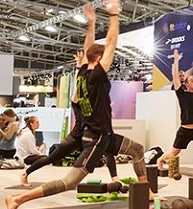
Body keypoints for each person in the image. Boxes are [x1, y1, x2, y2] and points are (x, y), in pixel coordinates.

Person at [5, 0, 152, 209]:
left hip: (103, 136)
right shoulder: (93, 76)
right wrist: (114, 14)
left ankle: (147, 192)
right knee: (69, 182)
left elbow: (87, 48)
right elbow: (111, 44)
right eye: (106, 58)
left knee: (137, 150)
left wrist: (91, 23)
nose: (110, 60)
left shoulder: (83, 72)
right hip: (95, 139)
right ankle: (17, 200)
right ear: (100, 59)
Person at [20, 50, 119, 187]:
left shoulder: (94, 103)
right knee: (52, 158)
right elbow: (79, 83)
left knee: (108, 150)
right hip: (77, 136)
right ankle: (26, 173)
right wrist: (79, 66)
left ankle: (115, 178)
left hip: (92, 134)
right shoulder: (78, 100)